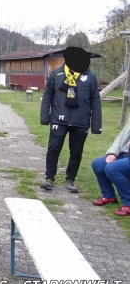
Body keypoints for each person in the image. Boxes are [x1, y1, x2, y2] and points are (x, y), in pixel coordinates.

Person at [39, 46, 102, 193]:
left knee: (76, 152)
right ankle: (49, 178)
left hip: (81, 121)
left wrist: (96, 125)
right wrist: (45, 117)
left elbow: (96, 102)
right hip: (59, 119)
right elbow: (47, 97)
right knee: (53, 149)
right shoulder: (56, 74)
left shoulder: (90, 77)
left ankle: (70, 179)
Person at [91, 119, 130, 216]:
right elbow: (121, 136)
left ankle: (128, 203)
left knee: (112, 168)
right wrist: (112, 153)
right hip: (124, 153)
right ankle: (109, 196)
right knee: (98, 164)